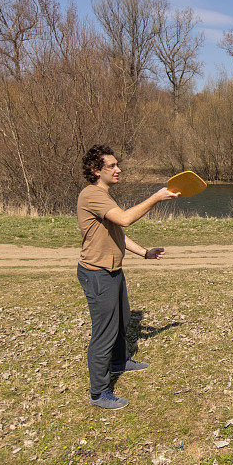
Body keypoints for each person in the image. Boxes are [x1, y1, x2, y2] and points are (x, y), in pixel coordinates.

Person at [77, 145, 178, 409]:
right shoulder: (92, 194)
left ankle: (120, 361)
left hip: (113, 270)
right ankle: (99, 393)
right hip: (98, 274)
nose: (118, 169)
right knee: (104, 333)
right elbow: (124, 220)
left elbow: (116, 234)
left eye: (117, 164)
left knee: (122, 321)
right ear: (95, 170)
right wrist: (155, 198)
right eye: (111, 166)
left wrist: (144, 253)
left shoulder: (104, 196)